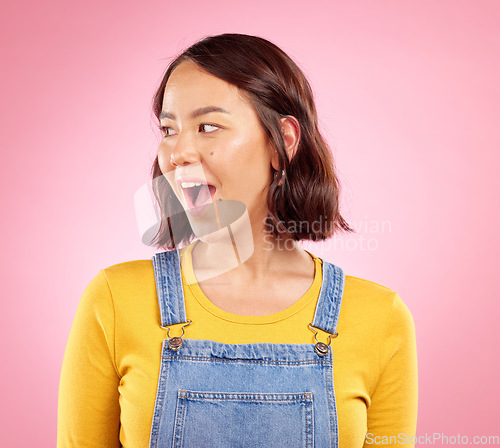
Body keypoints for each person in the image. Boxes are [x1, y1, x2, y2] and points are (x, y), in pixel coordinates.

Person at [57, 33, 418, 447]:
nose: (178, 153)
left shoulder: (379, 318)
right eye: (169, 129)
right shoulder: (115, 301)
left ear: (283, 143)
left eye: (208, 126)